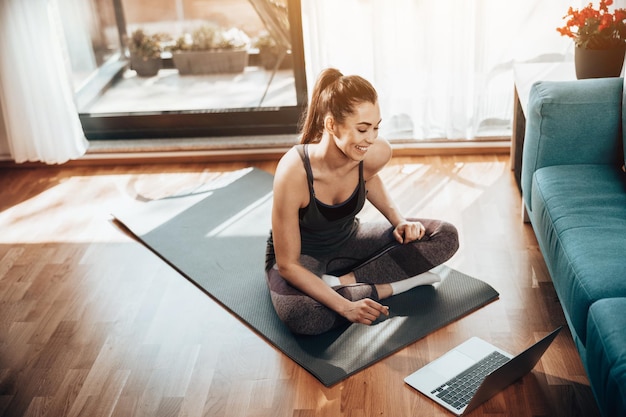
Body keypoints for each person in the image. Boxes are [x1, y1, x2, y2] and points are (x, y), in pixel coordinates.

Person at [265, 68, 459, 335]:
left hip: (349, 241)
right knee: (306, 317)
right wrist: (345, 307)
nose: (371, 138)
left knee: (444, 235)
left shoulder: (374, 152)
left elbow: (368, 179)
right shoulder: (294, 172)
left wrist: (399, 221)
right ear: (332, 125)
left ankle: (343, 282)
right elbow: (288, 265)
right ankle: (395, 285)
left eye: (377, 127)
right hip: (303, 259)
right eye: (363, 129)